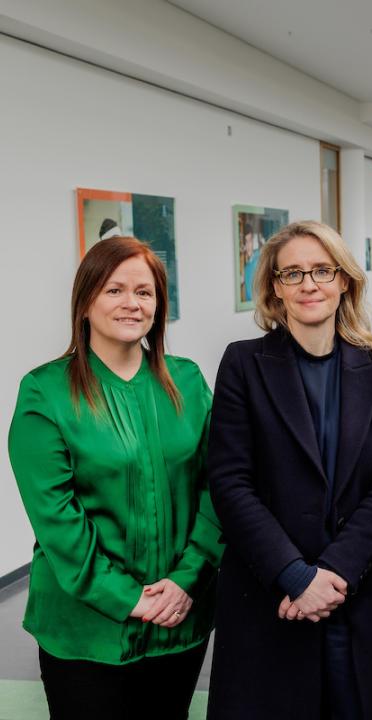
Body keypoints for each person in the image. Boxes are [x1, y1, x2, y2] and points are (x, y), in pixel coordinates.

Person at [206, 220, 372, 720]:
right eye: (293, 273)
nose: (309, 285)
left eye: (322, 270)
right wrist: (295, 576)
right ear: (275, 287)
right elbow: (230, 482)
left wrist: (334, 571)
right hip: (271, 592)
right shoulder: (243, 364)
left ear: (344, 280)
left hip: (357, 588)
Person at [8, 236, 221, 720]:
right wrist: (129, 599)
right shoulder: (46, 391)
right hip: (85, 629)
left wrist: (187, 580)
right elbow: (57, 519)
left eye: (144, 292)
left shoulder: (187, 381)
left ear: (159, 306)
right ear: (85, 302)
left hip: (180, 618)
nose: (131, 303)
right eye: (114, 290)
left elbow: (217, 487)